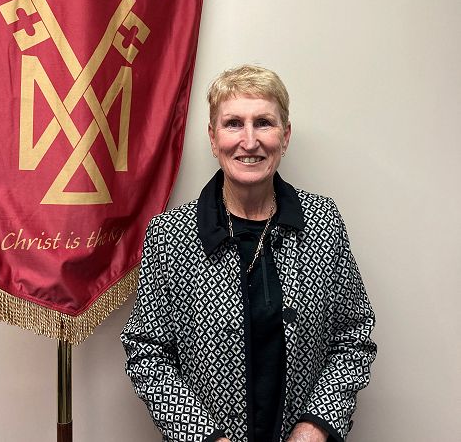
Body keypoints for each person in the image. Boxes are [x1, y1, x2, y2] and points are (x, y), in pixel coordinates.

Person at [121, 65, 377, 442]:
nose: (250, 140)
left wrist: (316, 425)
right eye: (233, 124)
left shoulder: (324, 221)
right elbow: (147, 351)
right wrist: (204, 437)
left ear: (285, 137)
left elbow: (353, 334)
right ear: (213, 139)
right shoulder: (169, 234)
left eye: (264, 123)